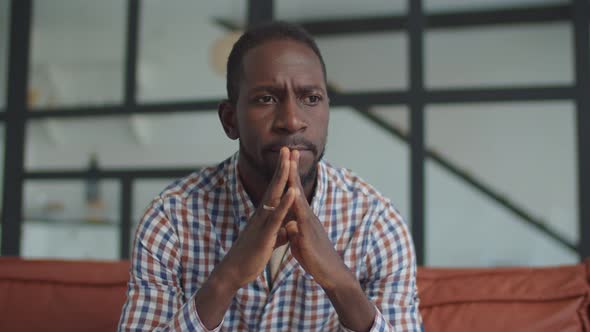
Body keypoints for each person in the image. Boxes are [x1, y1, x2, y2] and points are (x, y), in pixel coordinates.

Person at [118, 21, 422, 331]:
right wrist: (227, 277)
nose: (291, 120)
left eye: (311, 98)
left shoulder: (375, 222)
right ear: (229, 120)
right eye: (266, 98)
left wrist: (340, 281)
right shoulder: (171, 217)